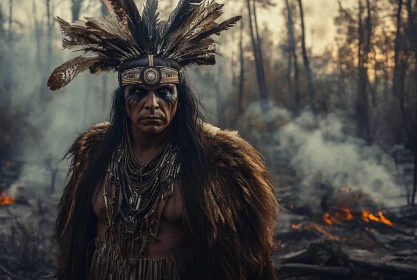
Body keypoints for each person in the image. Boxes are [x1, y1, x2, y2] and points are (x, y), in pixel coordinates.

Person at [48, 0, 279, 279]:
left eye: (164, 92)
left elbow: (242, 258)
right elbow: (75, 241)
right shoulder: (96, 153)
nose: (152, 104)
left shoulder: (214, 160)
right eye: (139, 92)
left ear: (179, 100)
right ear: (123, 102)